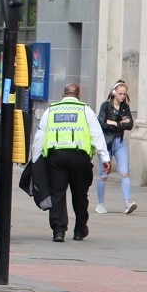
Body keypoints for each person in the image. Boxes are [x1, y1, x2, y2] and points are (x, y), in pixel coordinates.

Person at [30, 82, 111, 242]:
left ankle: (58, 231)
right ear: (79, 95)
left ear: (63, 95)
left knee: (57, 194)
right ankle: (80, 230)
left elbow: (40, 136)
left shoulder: (51, 111)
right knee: (80, 195)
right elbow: (97, 135)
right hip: (79, 158)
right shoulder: (85, 110)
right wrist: (105, 158)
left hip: (56, 157)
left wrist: (35, 159)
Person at [96, 81, 137, 215]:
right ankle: (101, 203)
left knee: (124, 173)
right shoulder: (105, 106)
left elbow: (129, 125)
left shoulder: (125, 108)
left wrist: (114, 123)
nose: (122, 96)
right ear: (114, 93)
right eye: (120, 94)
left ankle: (127, 202)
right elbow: (101, 123)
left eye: (124, 94)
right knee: (103, 174)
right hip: (106, 142)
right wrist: (120, 124)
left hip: (120, 141)